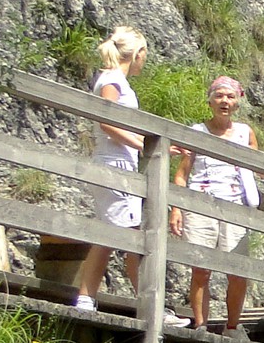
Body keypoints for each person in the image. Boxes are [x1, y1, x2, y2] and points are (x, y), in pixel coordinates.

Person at [170, 75, 264, 338]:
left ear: (237, 102)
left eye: (230, 97)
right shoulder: (196, 132)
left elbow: (258, 167)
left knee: (238, 271)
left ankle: (232, 326)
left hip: (236, 208)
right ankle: (200, 325)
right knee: (201, 269)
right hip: (200, 205)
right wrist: (177, 208)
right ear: (210, 100)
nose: (224, 101)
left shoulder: (245, 133)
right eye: (219, 96)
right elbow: (181, 174)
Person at [73, 26, 189, 326]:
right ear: (138, 54)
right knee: (116, 233)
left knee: (127, 234)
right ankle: (89, 299)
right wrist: (142, 144)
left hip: (121, 164)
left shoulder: (117, 81)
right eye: (144, 56)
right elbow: (106, 121)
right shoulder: (112, 80)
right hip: (114, 163)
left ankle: (148, 304)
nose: (144, 62)